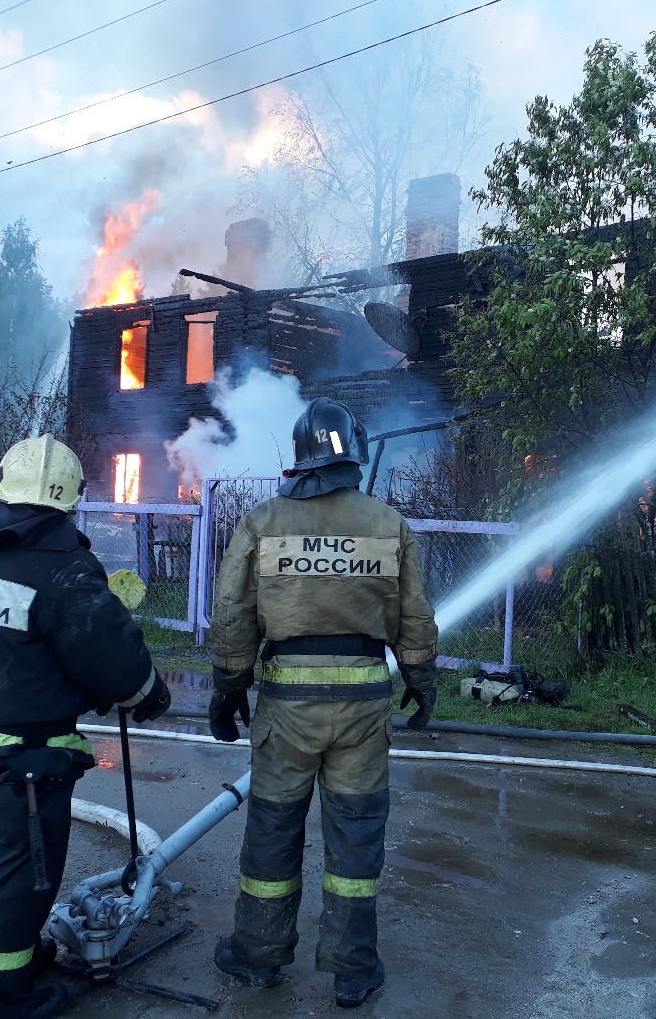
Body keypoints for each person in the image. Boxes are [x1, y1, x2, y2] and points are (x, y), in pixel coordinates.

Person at [208, 398, 438, 1009]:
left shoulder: (262, 522)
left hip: (287, 706)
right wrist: (420, 681)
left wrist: (227, 690)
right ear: (353, 455)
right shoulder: (389, 524)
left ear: (301, 457)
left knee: (273, 831)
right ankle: (353, 968)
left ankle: (258, 955)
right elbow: (414, 615)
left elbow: (232, 614)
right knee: (356, 839)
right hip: (363, 706)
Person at [0, 434, 172, 1019]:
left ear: (4, 485)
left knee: (6, 860)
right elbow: (109, 656)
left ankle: (21, 955)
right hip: (29, 756)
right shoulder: (63, 564)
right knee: (19, 878)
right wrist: (146, 694)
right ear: (71, 494)